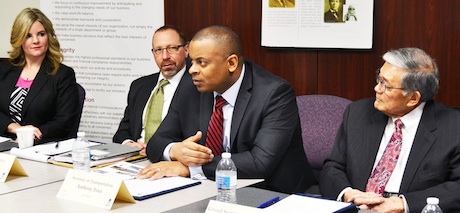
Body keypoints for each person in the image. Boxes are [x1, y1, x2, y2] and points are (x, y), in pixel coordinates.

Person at [136, 25, 316, 194]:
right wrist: (175, 151)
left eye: (202, 62)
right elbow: (156, 141)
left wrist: (191, 167)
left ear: (231, 63)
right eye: (192, 62)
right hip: (209, 190)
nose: (192, 70)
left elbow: (260, 163)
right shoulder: (191, 86)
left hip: (271, 193)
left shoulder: (274, 93)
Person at [319, 47, 460, 212]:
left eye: (386, 85)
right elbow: (333, 167)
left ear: (413, 98)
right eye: (379, 79)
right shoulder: (358, 113)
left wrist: (403, 204)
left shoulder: (453, 127)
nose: (377, 89)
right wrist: (348, 194)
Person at [0, 8, 79, 144]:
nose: (36, 40)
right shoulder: (4, 69)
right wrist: (14, 128)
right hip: (5, 142)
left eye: (41, 34)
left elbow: (64, 121)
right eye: (28, 36)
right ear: (19, 38)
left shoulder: (63, 74)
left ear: (48, 36)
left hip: (39, 146)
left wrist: (30, 135)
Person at [113, 25, 192, 156]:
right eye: (158, 50)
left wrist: (159, 150)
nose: (165, 56)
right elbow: (123, 131)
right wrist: (128, 144)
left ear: (186, 50)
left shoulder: (197, 87)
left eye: (172, 48)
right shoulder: (139, 86)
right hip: (134, 158)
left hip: (171, 161)